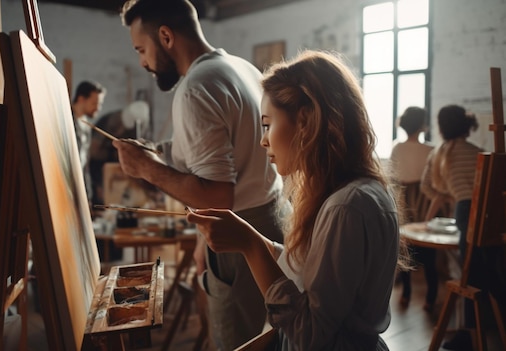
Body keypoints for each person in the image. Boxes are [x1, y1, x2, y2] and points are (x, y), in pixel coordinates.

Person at [187, 50, 406, 350]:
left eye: (267, 124)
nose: (263, 140)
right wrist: (251, 238)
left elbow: (310, 337)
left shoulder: (346, 206)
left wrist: (251, 248)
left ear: (305, 122)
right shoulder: (351, 193)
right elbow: (312, 269)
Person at [116, 0, 284, 349]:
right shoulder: (241, 67)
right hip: (271, 220)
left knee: (237, 342)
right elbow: (219, 152)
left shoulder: (196, 88)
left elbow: (216, 195)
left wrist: (146, 168)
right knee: (269, 337)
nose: (142, 62)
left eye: (141, 49)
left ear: (165, 36)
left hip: (238, 234)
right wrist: (157, 151)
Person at [420, 105, 505, 350]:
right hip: (493, 214)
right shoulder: (479, 152)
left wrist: (449, 195)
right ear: (467, 125)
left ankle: (467, 336)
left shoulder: (440, 153)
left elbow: (427, 186)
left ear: (442, 127)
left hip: (466, 210)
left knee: (469, 278)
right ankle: (484, 330)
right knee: (492, 272)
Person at [389, 107, 439, 312]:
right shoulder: (430, 150)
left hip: (403, 202)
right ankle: (431, 298)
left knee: (405, 251)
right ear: (422, 125)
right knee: (430, 255)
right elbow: (434, 181)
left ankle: (406, 293)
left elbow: (392, 177)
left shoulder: (397, 148)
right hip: (426, 202)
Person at [71, 80, 106, 204]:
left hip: (78, 189)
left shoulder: (86, 126)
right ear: (81, 99)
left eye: (100, 104)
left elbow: (85, 164)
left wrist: (88, 196)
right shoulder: (66, 120)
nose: (98, 108)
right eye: (94, 103)